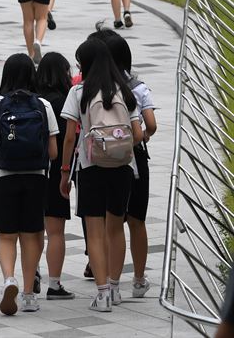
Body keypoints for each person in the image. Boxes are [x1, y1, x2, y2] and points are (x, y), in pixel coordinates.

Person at [59, 38, 143, 312]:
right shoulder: (125, 92)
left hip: (91, 166)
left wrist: (64, 174)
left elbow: (70, 137)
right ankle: (116, 287)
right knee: (116, 228)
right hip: (122, 167)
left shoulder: (79, 92)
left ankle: (103, 293)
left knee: (95, 232)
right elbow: (138, 133)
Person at [0, 53, 59, 315]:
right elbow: (53, 153)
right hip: (36, 177)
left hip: (4, 177)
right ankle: (27, 294)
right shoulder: (44, 106)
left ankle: (8, 279)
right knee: (32, 235)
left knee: (6, 235)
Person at [89, 28, 157, 298]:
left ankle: (107, 278)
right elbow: (150, 124)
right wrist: (142, 137)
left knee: (110, 222)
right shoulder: (138, 88)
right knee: (136, 220)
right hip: (135, 156)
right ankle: (139, 279)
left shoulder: (93, 89)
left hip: (104, 159)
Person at [35, 52, 75, 300]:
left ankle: (33, 271)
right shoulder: (63, 102)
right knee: (56, 231)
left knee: (33, 229)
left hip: (31, 171)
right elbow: (69, 139)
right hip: (57, 169)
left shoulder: (33, 101)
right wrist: (67, 171)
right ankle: (55, 283)